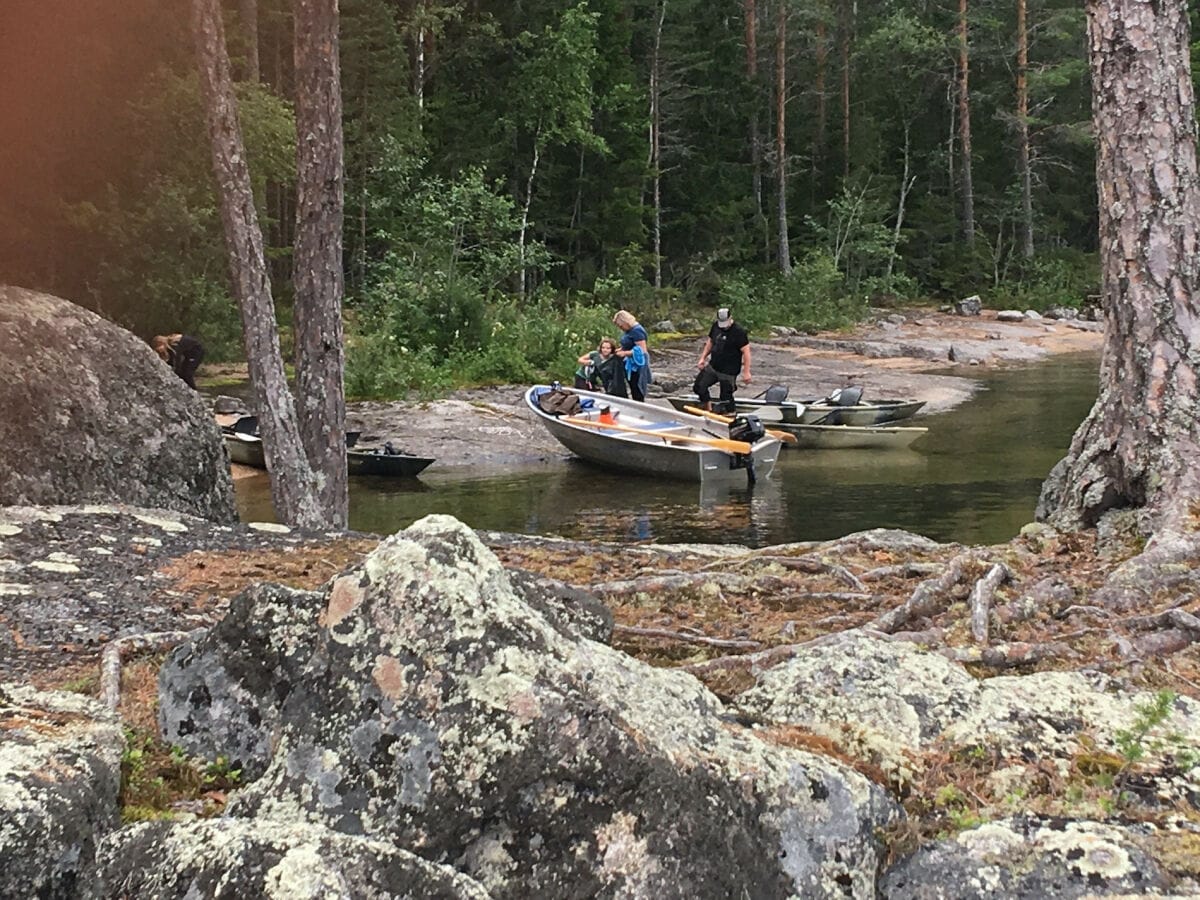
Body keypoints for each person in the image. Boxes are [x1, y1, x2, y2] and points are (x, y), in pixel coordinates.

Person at [693, 307, 751, 410]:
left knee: (725, 397)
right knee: (699, 386)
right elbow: (710, 342)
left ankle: (730, 413)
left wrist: (746, 372)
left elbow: (746, 352)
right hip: (714, 366)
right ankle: (708, 407)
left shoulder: (739, 332)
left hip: (729, 371)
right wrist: (702, 358)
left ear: (730, 318)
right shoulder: (716, 326)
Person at [611, 309, 652, 402]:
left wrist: (625, 353)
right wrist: (620, 350)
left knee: (637, 387)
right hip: (630, 362)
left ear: (625, 322)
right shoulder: (629, 331)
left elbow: (641, 350)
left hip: (637, 364)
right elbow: (629, 344)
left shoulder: (637, 331)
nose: (620, 328)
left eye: (620, 325)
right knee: (632, 386)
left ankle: (640, 405)